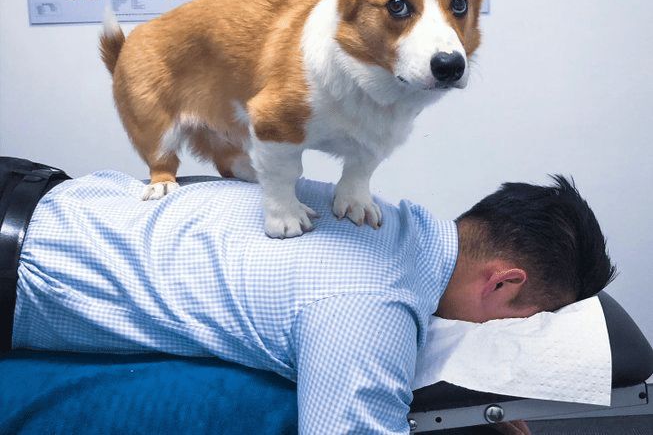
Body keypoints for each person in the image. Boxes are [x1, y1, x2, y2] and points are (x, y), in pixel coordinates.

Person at [0, 157, 615, 435]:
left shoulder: (378, 220)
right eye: (524, 321)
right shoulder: (370, 306)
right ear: (504, 281)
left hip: (42, 188)